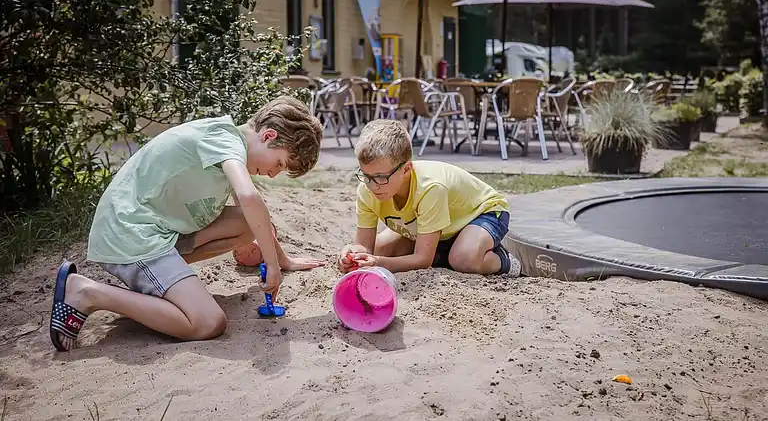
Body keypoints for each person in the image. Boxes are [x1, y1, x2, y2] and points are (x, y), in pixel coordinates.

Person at [49, 96, 326, 352]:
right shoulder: (224, 140)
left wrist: (282, 259)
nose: (274, 174)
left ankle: (163, 283)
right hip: (132, 234)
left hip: (159, 231)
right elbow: (249, 196)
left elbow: (252, 215)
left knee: (247, 223)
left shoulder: (228, 142)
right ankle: (87, 292)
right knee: (208, 322)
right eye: (279, 163)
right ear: (268, 136)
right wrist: (272, 266)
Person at [337, 119, 521, 277]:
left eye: (380, 177)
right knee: (382, 250)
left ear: (406, 169)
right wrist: (353, 255)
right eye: (366, 176)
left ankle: (503, 262)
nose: (371, 185)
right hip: (438, 227)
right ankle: (444, 252)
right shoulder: (367, 190)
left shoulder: (430, 187)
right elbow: (365, 247)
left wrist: (377, 262)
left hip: (483, 213)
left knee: (463, 259)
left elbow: (423, 260)